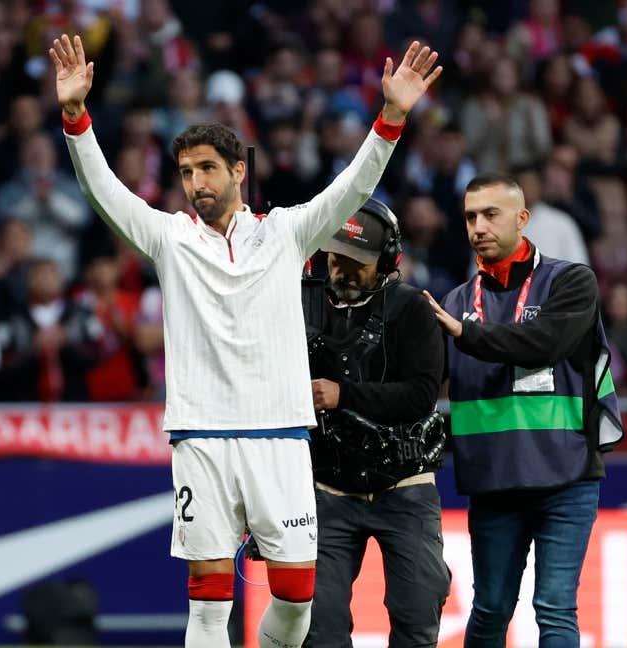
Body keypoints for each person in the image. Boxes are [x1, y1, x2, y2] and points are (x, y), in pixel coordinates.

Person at [48, 34, 441, 648]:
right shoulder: (169, 239)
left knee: (296, 601)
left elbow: (353, 191)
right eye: (185, 172)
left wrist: (391, 118)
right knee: (208, 606)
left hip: (281, 437)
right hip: (200, 438)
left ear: (238, 171)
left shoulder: (286, 233)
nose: (196, 182)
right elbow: (104, 192)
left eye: (207, 168)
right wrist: (76, 117)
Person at [422, 173, 623, 647]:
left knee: (554, 608)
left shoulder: (571, 281)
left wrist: (464, 333)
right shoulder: (454, 302)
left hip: (566, 477)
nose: (479, 226)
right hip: (493, 483)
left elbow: (543, 343)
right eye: (471, 216)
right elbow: (420, 383)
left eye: (491, 214)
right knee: (490, 610)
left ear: (522, 218)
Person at [300, 198, 451, 646]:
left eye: (356, 261)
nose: (342, 269)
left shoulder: (413, 309)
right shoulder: (299, 302)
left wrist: (343, 394)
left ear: (387, 261)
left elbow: (423, 396)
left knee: (418, 617)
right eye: (335, 257)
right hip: (326, 486)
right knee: (318, 629)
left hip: (403, 485)